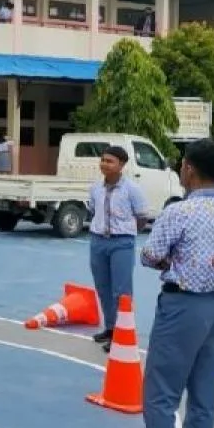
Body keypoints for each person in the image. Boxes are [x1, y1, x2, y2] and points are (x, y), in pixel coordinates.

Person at [119, 139, 214, 428]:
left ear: (188, 168)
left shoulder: (179, 212)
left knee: (160, 392)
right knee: (203, 395)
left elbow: (151, 255)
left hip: (182, 304)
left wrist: (170, 261)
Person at [86, 145, 147, 353]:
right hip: (98, 242)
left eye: (110, 161)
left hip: (122, 243)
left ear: (121, 165)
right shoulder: (96, 188)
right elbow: (93, 210)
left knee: (121, 292)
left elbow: (142, 216)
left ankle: (122, 334)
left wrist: (127, 235)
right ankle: (111, 328)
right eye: (103, 160)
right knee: (103, 288)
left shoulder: (132, 189)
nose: (104, 164)